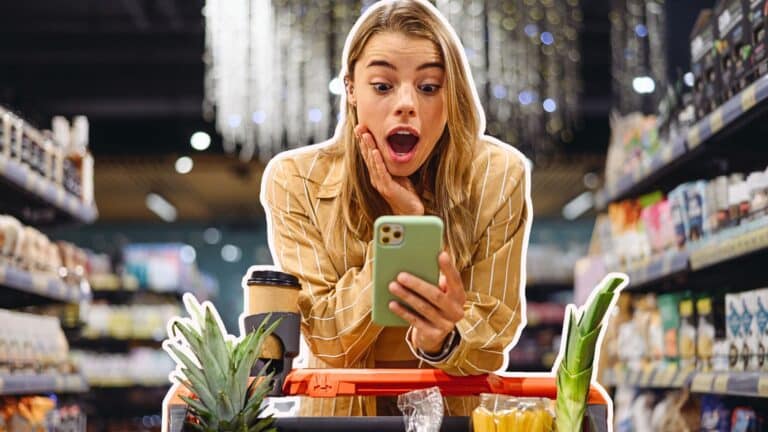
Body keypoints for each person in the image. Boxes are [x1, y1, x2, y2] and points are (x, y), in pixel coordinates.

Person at [260, 0, 532, 417]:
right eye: (383, 86)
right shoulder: (295, 180)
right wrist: (405, 229)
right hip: (340, 420)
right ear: (351, 88)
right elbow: (329, 340)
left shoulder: (497, 175)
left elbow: (493, 338)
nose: (406, 103)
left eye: (428, 87)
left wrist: (440, 341)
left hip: (450, 417)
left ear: (450, 93)